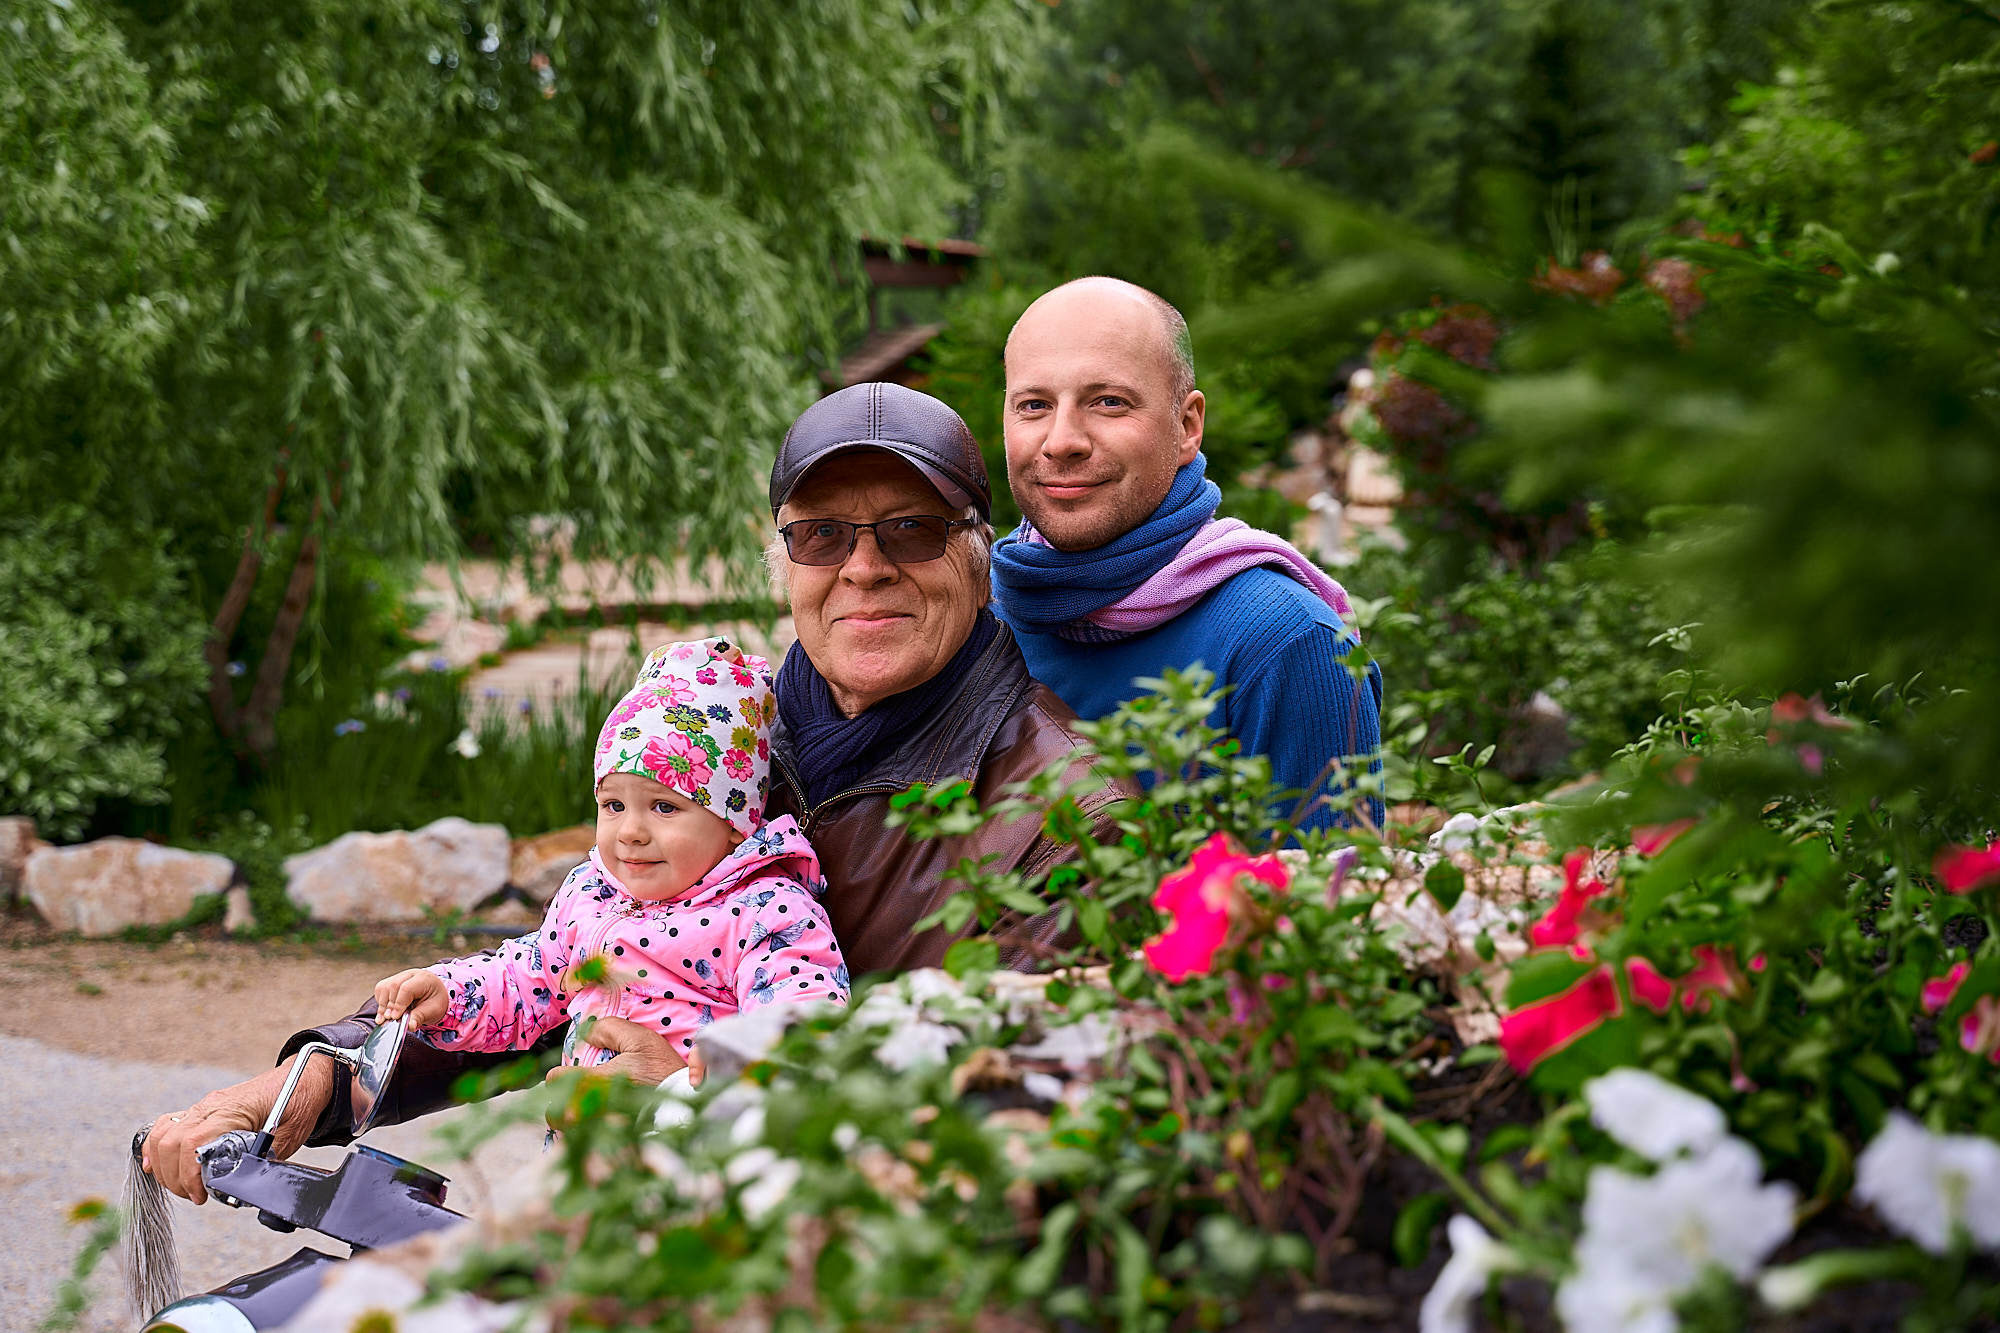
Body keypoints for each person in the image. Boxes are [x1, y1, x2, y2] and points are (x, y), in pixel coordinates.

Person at [143, 382, 1133, 1202]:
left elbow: (1021, 1144)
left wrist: (693, 1082)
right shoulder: (716, 736)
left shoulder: (1063, 815)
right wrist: (308, 1083)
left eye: (909, 529)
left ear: (976, 546)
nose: (862, 567)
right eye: (821, 534)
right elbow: (554, 972)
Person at [989, 276, 1384, 833]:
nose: (1062, 440)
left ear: (1186, 426)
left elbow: (1325, 904)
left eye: (1108, 402)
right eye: (1034, 405)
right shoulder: (977, 610)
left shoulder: (1286, 642)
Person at [372, 637, 848, 1076]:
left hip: (704, 1148)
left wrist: (743, 1053)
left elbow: (805, 1008)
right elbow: (529, 977)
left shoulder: (764, 910)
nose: (631, 833)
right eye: (613, 805)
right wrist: (451, 994)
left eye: (665, 807)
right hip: (586, 1143)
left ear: (733, 824)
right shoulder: (592, 892)